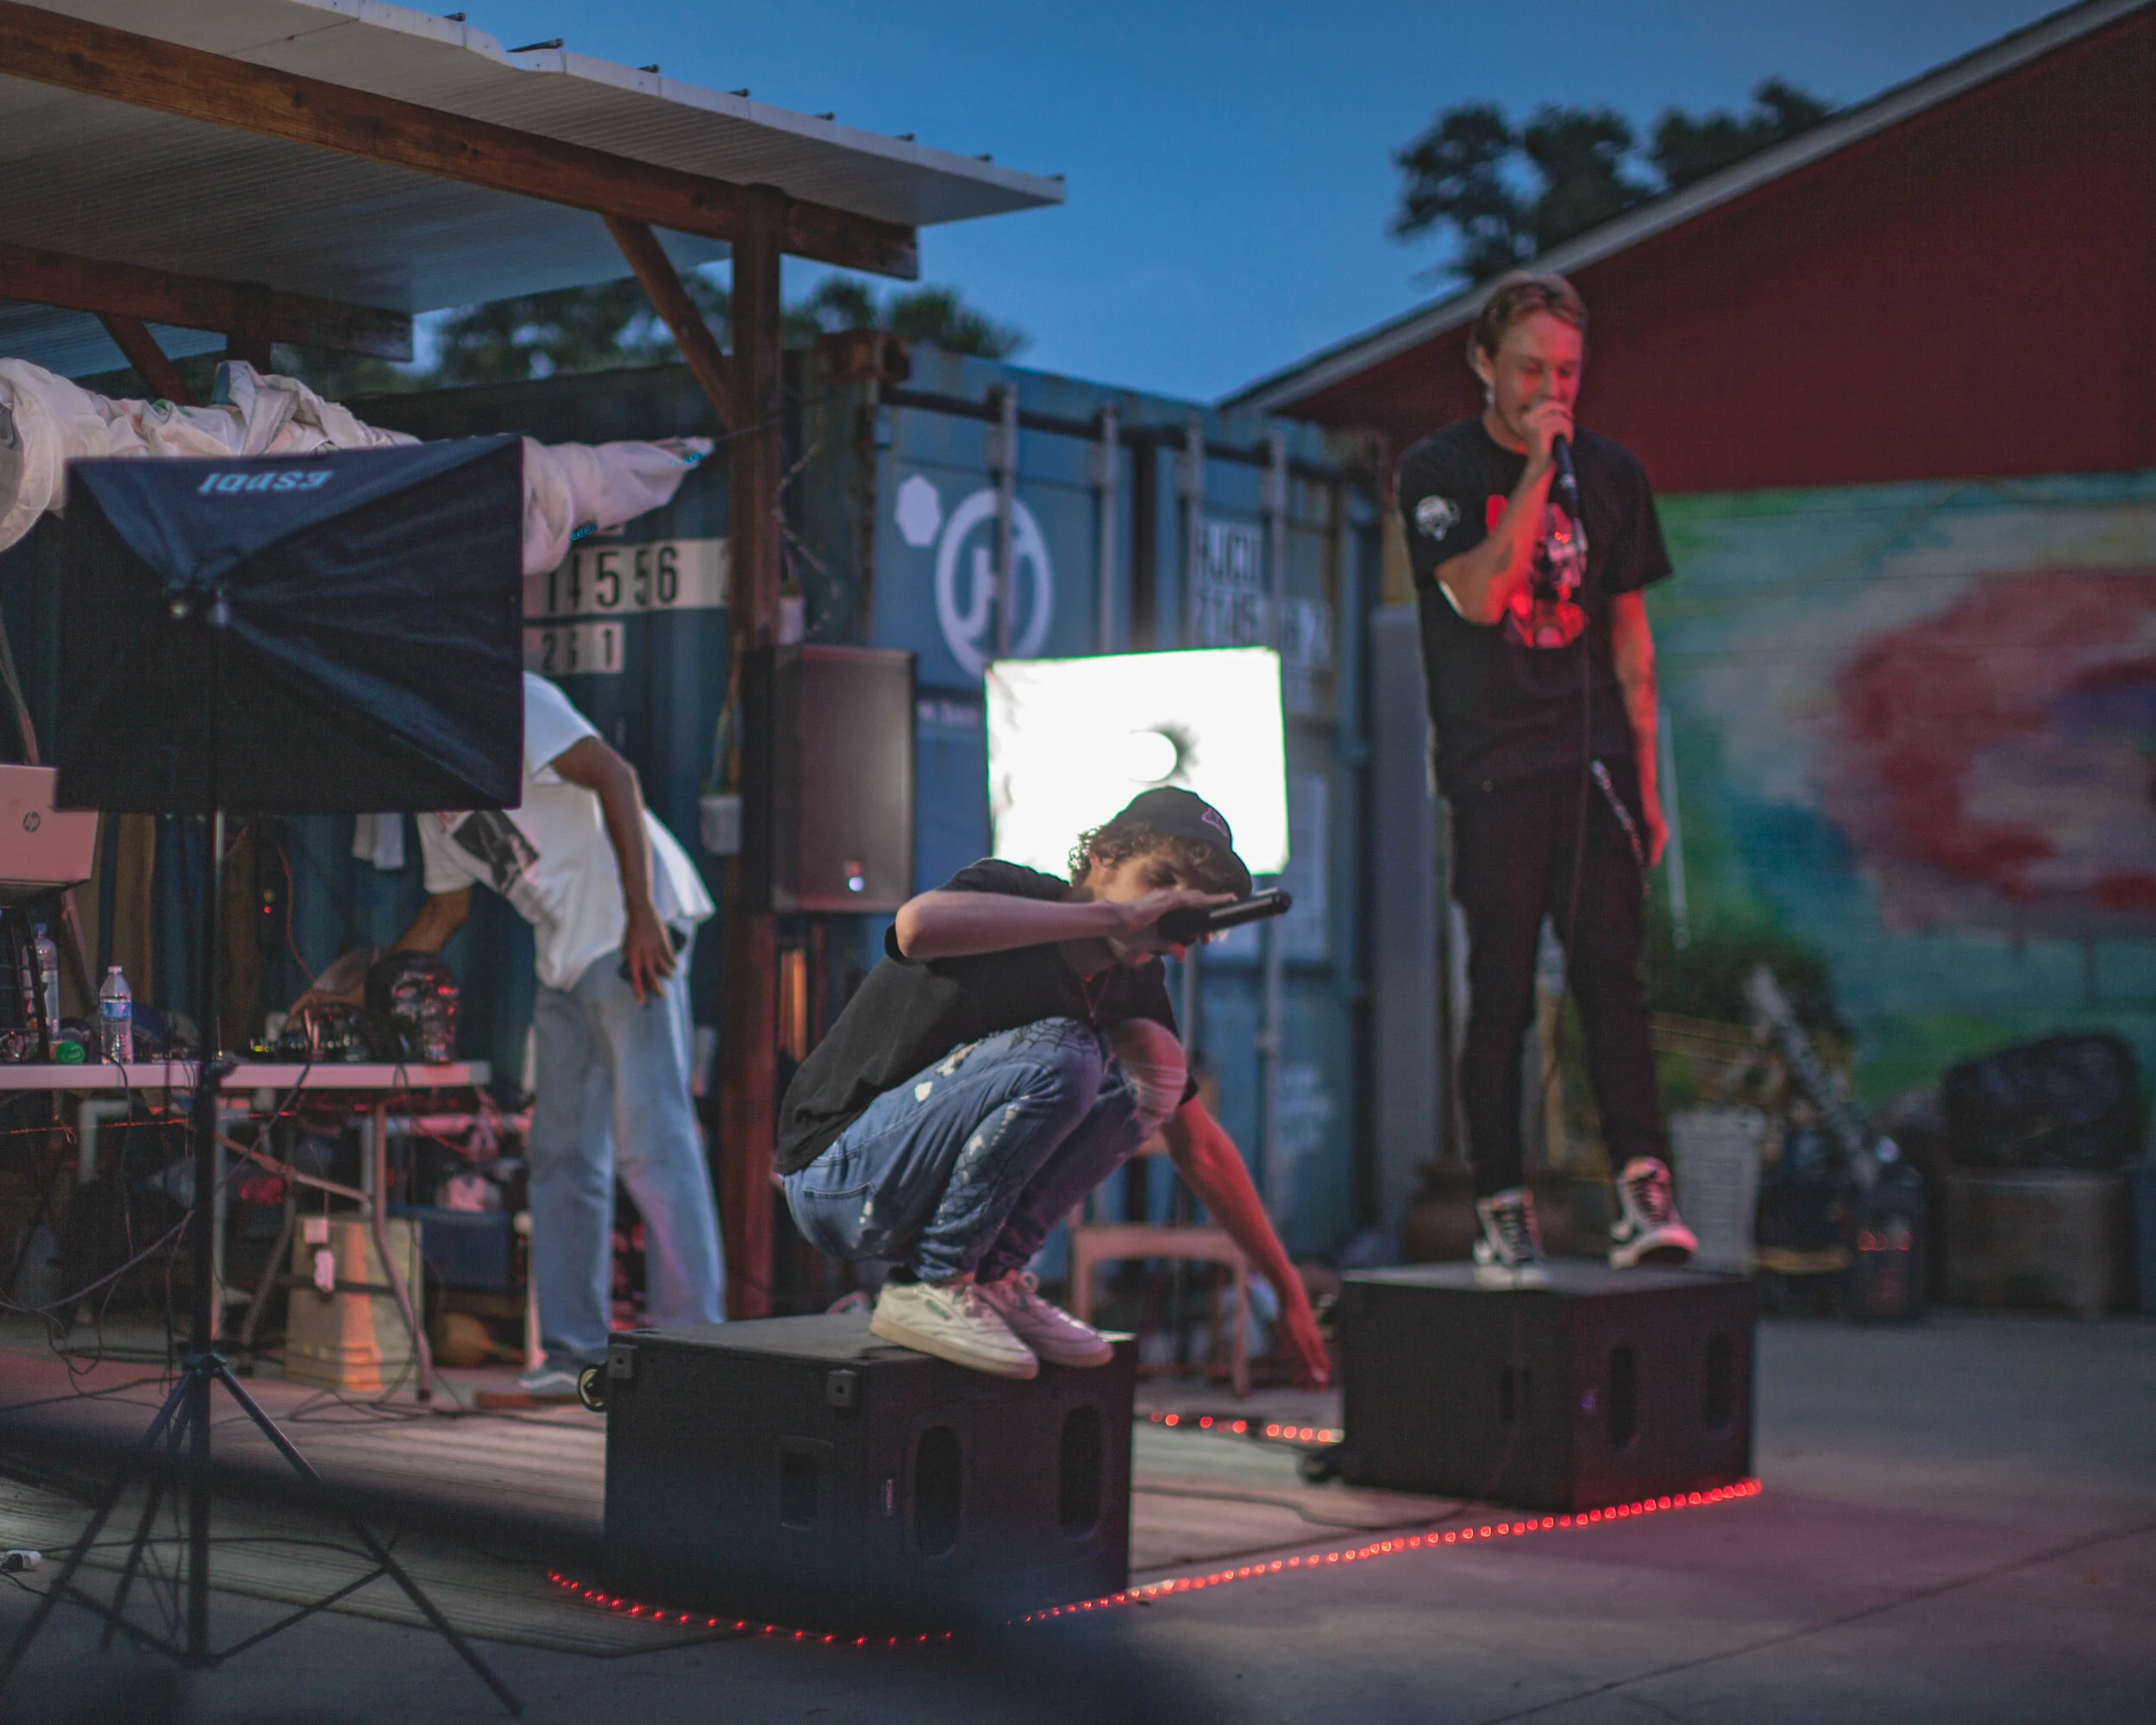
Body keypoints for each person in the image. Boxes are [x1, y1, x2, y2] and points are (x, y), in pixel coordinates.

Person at [777, 787, 1330, 1384]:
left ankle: (993, 1276)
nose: (1163, 909)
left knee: (1157, 1059)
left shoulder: (1133, 982)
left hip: (915, 1194)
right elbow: (916, 928)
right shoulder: (1013, 891)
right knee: (1068, 1050)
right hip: (838, 1175)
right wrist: (1115, 917)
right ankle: (934, 1283)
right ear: (1102, 855)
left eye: (1184, 902)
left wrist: (1287, 1289)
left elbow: (1199, 1147)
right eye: (1159, 880)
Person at [304, 673, 726, 1398]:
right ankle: (573, 1355)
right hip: (565, 958)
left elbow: (616, 776)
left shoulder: (505, 703)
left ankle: (698, 1355)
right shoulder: (437, 809)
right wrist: (350, 991)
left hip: (629, 929)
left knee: (653, 1146)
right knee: (561, 1156)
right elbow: (444, 915)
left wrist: (642, 911)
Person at [1395, 270, 1696, 1289]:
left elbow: (1631, 642)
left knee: (1613, 979)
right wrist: (1533, 470)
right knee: (1503, 993)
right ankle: (1500, 1203)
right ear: (1484, 362)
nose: (1549, 390)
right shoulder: (1438, 470)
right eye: (1530, 369)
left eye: (1566, 372)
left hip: (1593, 758)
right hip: (1495, 770)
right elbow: (1480, 599)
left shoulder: (1612, 475)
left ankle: (1643, 1187)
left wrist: (1646, 786)